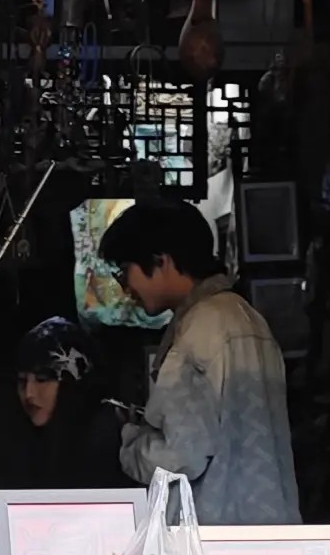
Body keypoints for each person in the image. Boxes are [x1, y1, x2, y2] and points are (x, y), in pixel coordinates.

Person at [99, 193, 299, 523]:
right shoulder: (247, 317)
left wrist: (129, 442)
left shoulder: (198, 329)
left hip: (213, 535)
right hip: (269, 529)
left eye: (124, 272)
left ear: (161, 260)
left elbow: (180, 456)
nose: (125, 289)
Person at [0, 314, 125, 489]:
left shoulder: (107, 436)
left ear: (71, 385)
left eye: (42, 379)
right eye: (22, 381)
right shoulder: (16, 439)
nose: (29, 393)